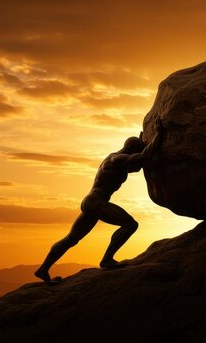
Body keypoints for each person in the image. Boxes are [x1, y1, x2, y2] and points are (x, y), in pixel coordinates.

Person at [35, 118, 163, 285]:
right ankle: (107, 259)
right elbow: (143, 157)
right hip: (97, 201)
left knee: (71, 239)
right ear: (131, 150)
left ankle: (43, 269)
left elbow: (137, 164)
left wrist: (143, 139)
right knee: (130, 225)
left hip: (91, 201)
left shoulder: (115, 159)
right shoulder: (117, 160)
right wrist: (159, 134)